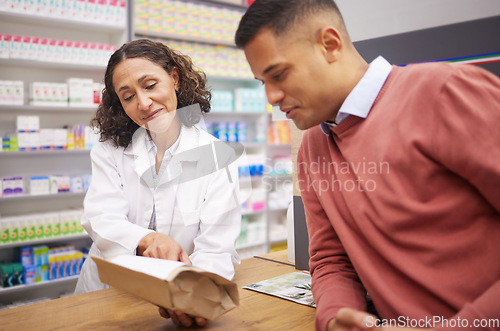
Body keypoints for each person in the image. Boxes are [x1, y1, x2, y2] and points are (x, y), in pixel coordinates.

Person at [235, 1, 500, 330]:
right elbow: (331, 260)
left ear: (329, 45)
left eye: (279, 74)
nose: (271, 97)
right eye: (263, 82)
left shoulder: (444, 93)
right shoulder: (314, 148)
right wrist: (336, 316)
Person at [75, 39, 242, 328]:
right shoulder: (110, 150)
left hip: (175, 298)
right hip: (109, 296)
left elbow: (216, 247)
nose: (143, 103)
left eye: (150, 85)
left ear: (175, 79)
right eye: (128, 97)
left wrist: (194, 294)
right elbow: (100, 217)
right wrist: (147, 239)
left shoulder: (216, 156)